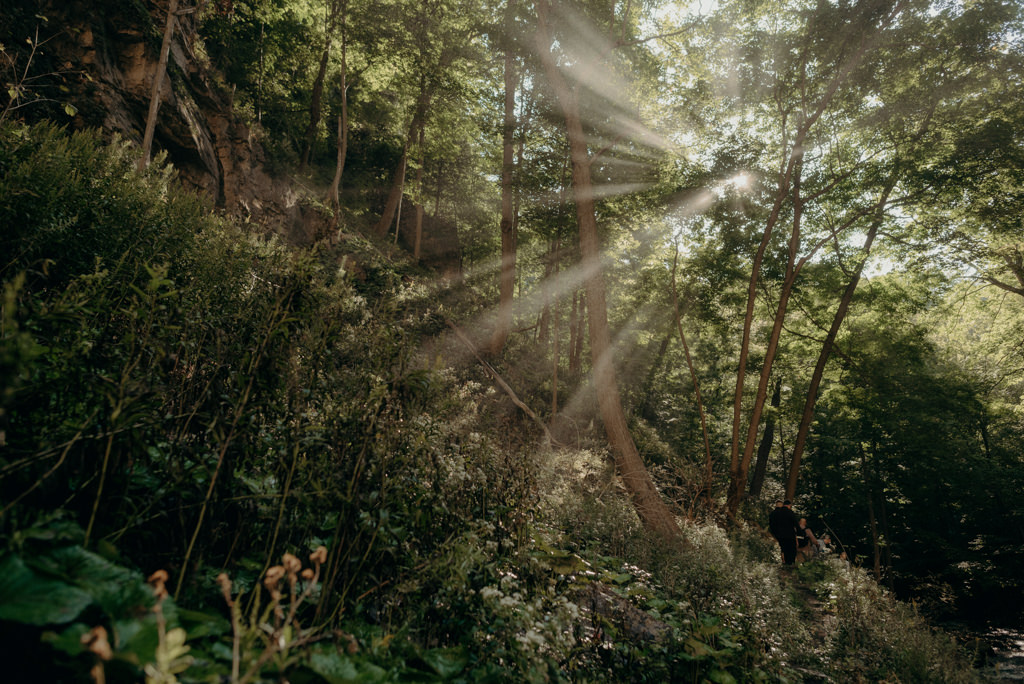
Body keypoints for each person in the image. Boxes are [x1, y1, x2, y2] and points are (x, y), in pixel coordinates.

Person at [768, 499, 799, 565]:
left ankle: (786, 562)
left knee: (784, 548)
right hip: (787, 534)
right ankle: (789, 563)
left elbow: (771, 524)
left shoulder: (773, 513)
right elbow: (794, 523)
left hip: (777, 534)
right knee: (789, 549)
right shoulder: (787, 512)